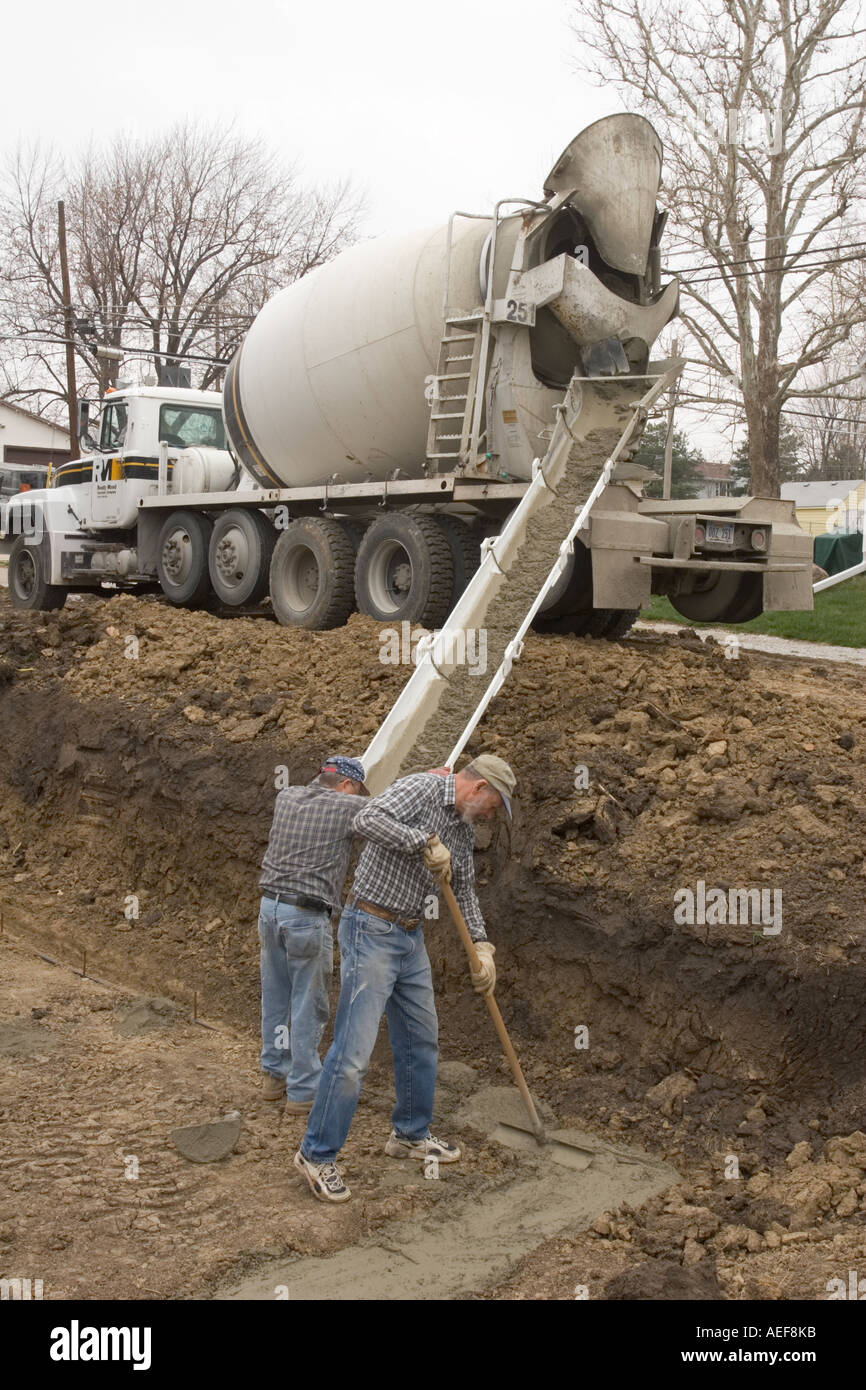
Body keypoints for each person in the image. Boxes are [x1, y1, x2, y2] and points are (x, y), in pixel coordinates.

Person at [293, 753, 516, 1203]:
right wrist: (422, 842)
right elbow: (367, 818)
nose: (491, 815)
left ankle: (410, 1133)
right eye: (493, 805)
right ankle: (316, 1154)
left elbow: (465, 890)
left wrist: (482, 947)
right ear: (478, 789)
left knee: (421, 1039)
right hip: (370, 926)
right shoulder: (422, 789)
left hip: (410, 936)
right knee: (354, 1055)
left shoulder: (463, 827)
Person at [258, 755, 369, 1112]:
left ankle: (275, 1075)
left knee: (276, 995)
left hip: (270, 909)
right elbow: (381, 810)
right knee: (308, 1003)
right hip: (306, 916)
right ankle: (303, 1090)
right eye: (357, 791)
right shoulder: (347, 807)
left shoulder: (287, 796)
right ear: (347, 786)